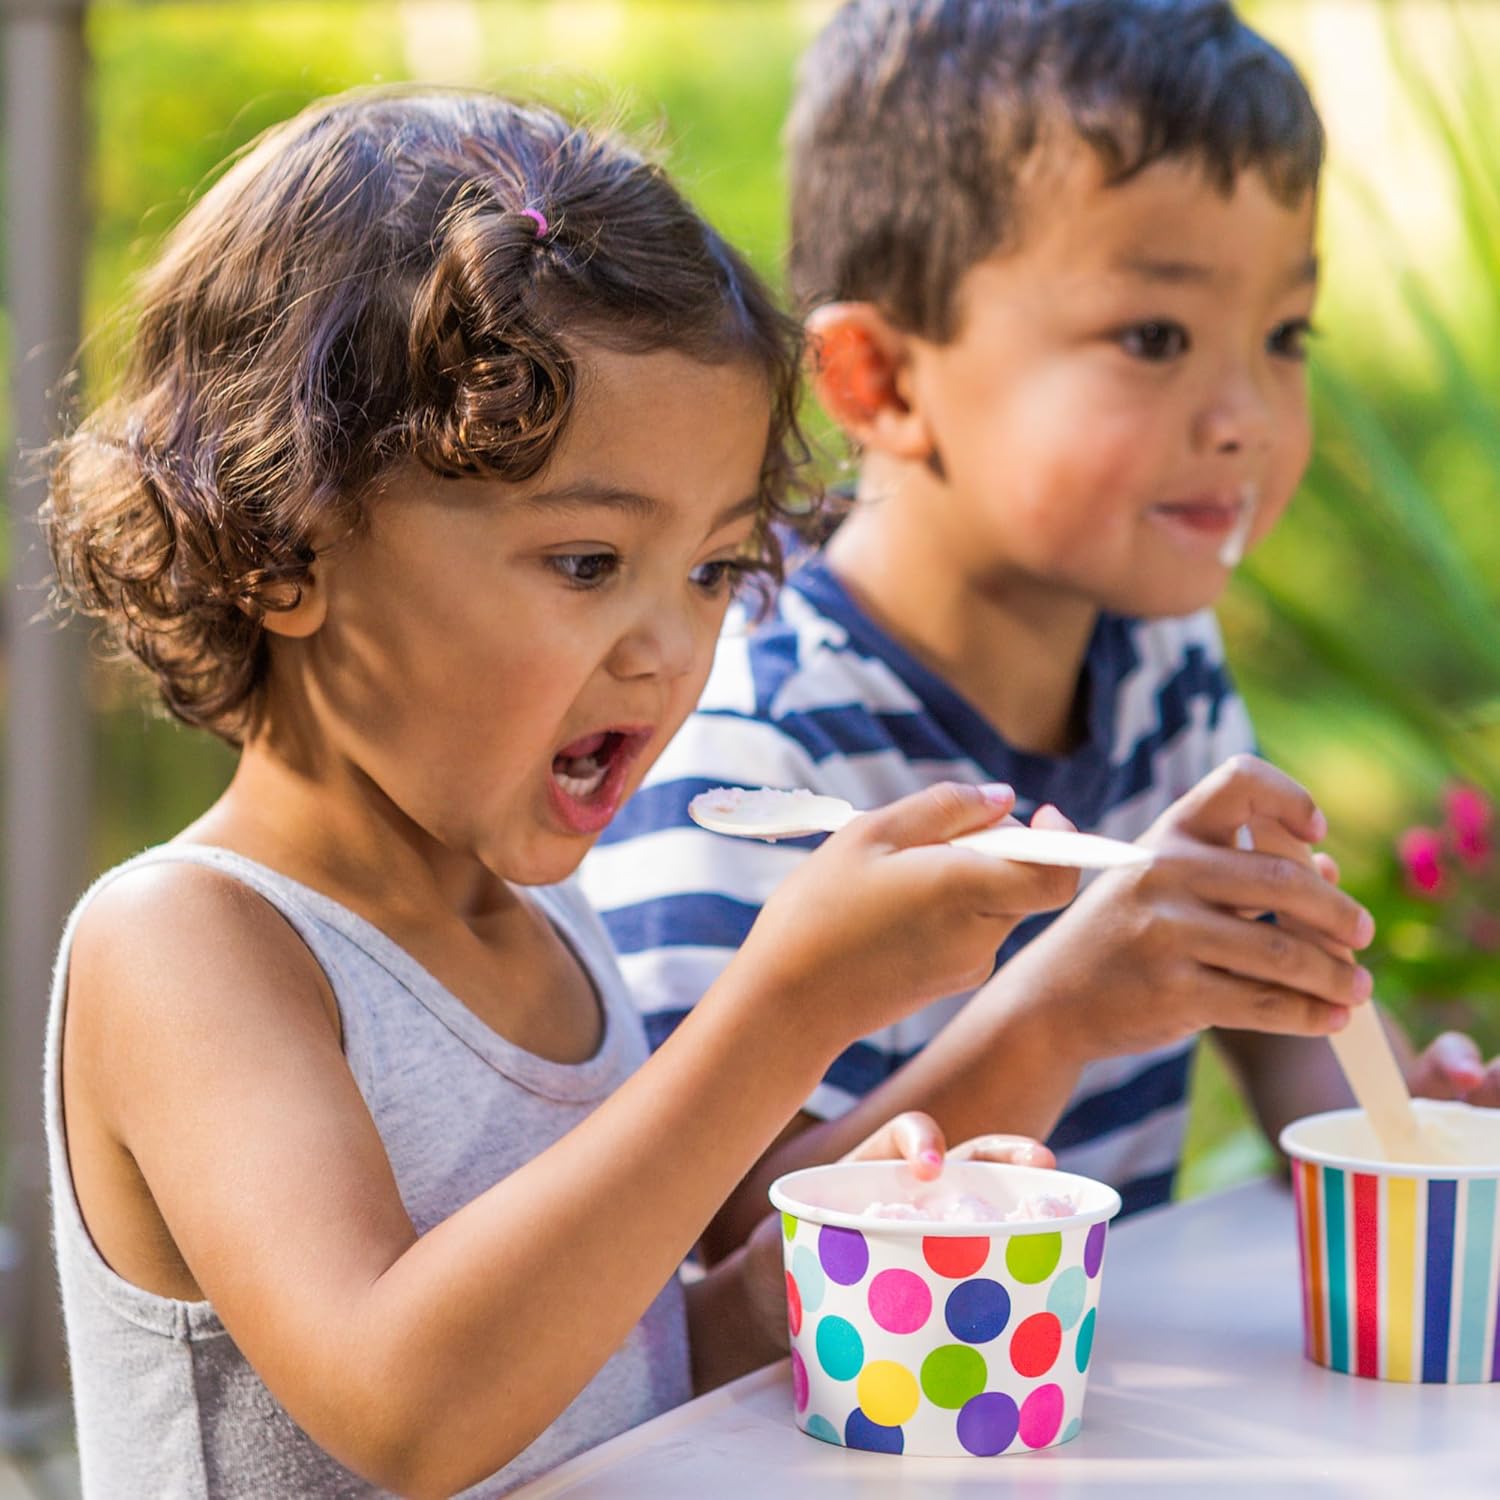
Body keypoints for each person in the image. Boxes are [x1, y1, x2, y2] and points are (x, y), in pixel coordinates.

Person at [41, 88, 1081, 1497]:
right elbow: (411, 1413)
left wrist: (804, 1278)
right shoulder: (189, 946)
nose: (669, 650)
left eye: (712, 570)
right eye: (589, 563)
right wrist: (789, 1008)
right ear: (283, 548)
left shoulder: (545, 927)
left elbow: (591, 1383)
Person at [580, 0, 1500, 1261]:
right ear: (882, 382)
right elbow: (730, 1257)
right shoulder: (745, 747)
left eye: (1285, 335)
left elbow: (1287, 1019)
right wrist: (1057, 1015)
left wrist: (1401, 1133)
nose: (1245, 414)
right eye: (1155, 338)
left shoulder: (1159, 665)